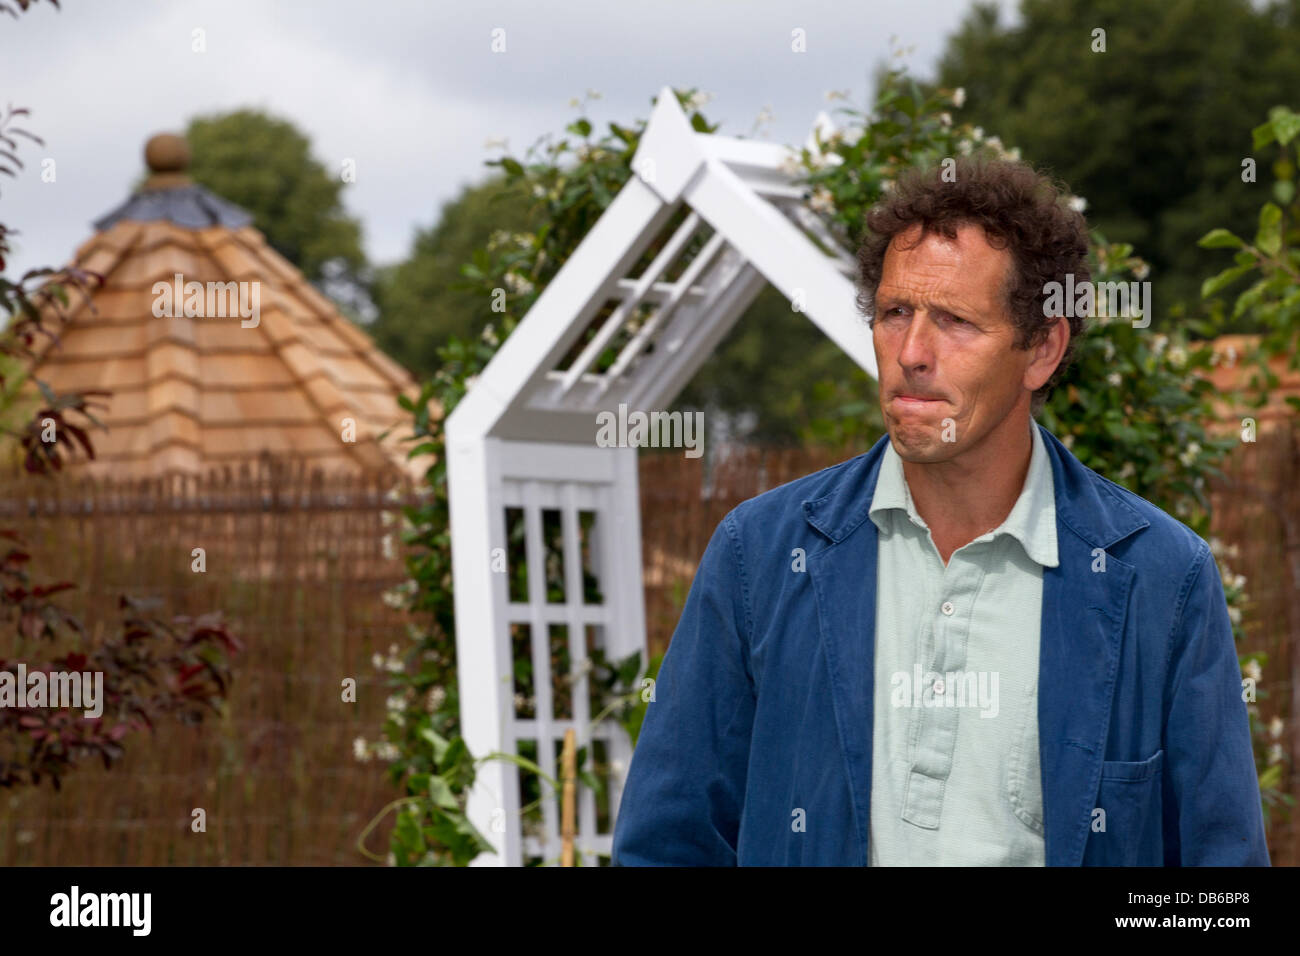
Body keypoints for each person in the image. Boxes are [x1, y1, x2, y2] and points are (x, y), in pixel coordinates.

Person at [611, 157, 1270, 866]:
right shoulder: (760, 555)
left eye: (954, 321)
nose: (912, 353)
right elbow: (667, 844)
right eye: (895, 313)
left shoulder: (1159, 578)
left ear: (1043, 349)